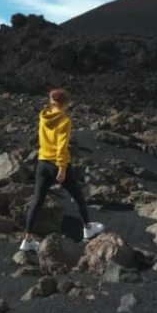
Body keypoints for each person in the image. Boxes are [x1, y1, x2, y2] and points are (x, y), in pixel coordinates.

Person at [19, 88, 104, 252]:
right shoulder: (64, 120)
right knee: (78, 196)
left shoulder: (43, 116)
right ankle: (87, 228)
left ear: (52, 101)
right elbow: (62, 146)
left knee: (37, 201)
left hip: (42, 163)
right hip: (56, 165)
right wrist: (62, 168)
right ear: (65, 103)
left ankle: (27, 240)